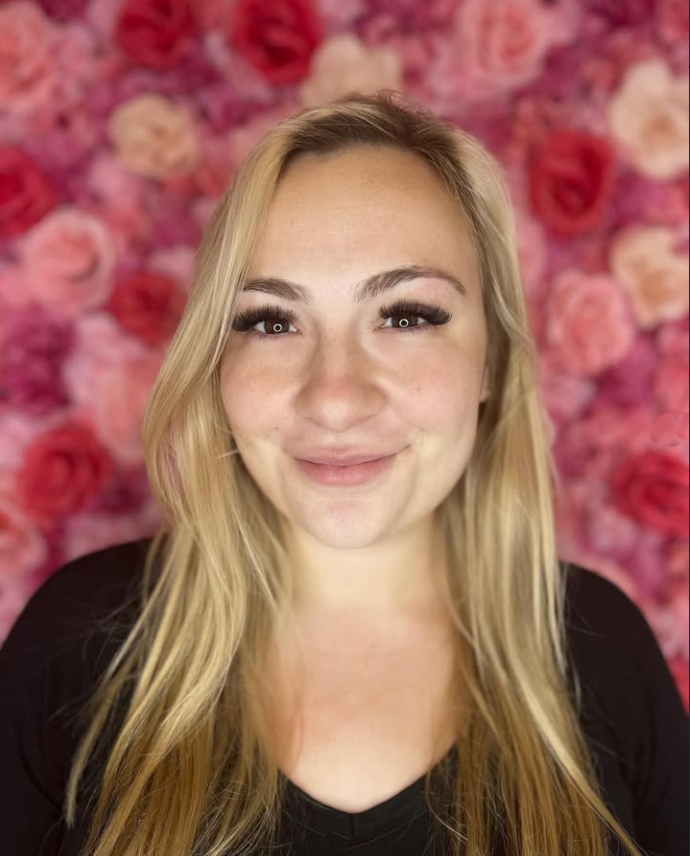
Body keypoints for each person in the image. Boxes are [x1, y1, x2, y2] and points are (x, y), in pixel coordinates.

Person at [0, 90, 687, 856]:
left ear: (491, 357)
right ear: (213, 360)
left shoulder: (599, 649)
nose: (333, 399)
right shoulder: (78, 643)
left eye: (405, 316)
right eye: (270, 321)